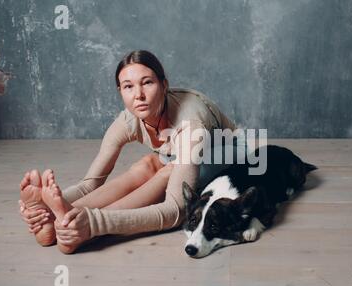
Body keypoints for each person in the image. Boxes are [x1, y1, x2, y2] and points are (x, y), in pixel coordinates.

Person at [18, 50, 239, 254]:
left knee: (166, 171)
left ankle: (85, 233)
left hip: (231, 157)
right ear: (120, 91)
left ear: (164, 85)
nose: (138, 95)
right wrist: (49, 207)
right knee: (146, 166)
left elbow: (176, 210)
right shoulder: (128, 119)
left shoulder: (190, 124)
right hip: (182, 156)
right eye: (128, 86)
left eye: (147, 83)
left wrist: (95, 224)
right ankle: (61, 219)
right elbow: (90, 183)